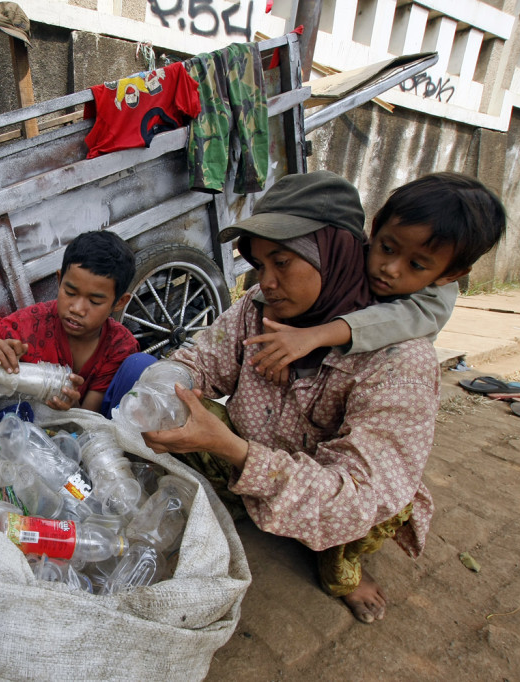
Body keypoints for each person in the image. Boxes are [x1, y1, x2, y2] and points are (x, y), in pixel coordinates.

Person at [142, 171, 441, 624]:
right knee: (182, 417)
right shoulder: (258, 308)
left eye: (282, 262)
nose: (268, 281)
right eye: (260, 265)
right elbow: (204, 358)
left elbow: (357, 495)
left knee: (372, 515)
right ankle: (252, 504)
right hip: (261, 455)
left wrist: (231, 449)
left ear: (334, 252)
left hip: (340, 493)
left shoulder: (401, 360)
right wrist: (171, 378)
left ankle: (341, 570)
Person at [243, 171, 507, 382]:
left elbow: (388, 320)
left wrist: (314, 336)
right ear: (377, 226)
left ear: (450, 274)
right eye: (388, 248)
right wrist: (273, 319)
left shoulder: (430, 308)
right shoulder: (347, 255)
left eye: (415, 265)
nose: (390, 268)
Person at [0, 230, 139, 414]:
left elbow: (90, 417)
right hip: (21, 418)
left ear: (119, 302)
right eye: (70, 292)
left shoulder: (118, 346)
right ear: (59, 280)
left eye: (95, 301)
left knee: (141, 365)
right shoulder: (33, 322)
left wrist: (70, 404)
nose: (77, 309)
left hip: (75, 427)